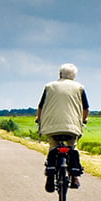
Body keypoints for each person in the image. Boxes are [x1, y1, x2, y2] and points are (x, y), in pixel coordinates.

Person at [36, 63, 89, 192]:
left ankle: (50, 175)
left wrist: (39, 119)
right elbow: (85, 108)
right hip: (72, 127)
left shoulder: (49, 87)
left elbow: (41, 106)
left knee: (53, 147)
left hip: (51, 126)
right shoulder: (79, 88)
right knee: (72, 146)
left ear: (60, 74)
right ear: (74, 76)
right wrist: (83, 120)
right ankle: (75, 176)